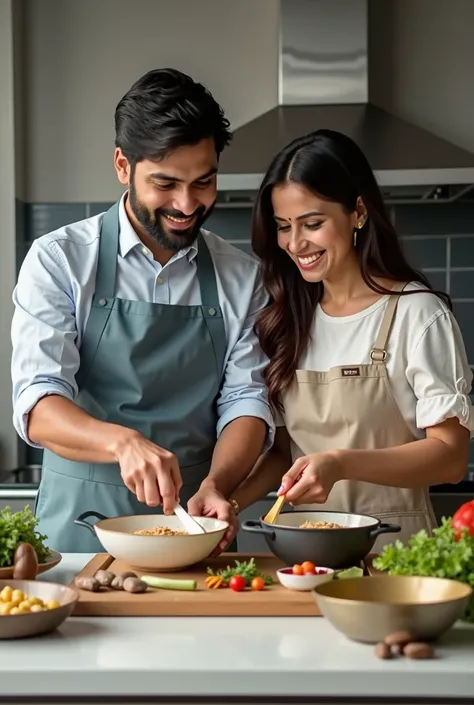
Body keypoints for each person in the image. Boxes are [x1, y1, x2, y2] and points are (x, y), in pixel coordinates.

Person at [11, 68, 274, 553]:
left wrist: (220, 483)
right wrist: (121, 443)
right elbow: (38, 403)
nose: (187, 204)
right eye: (166, 183)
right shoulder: (61, 259)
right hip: (78, 531)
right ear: (122, 165)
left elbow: (247, 401)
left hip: (196, 525)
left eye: (204, 182)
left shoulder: (241, 276)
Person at [230, 129, 474, 551]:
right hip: (303, 554)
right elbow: (284, 451)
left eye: (312, 223)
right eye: (283, 226)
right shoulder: (288, 319)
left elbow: (451, 458)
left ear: (357, 212)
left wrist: (341, 463)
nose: (295, 243)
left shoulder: (417, 313)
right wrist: (229, 503)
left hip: (393, 555)